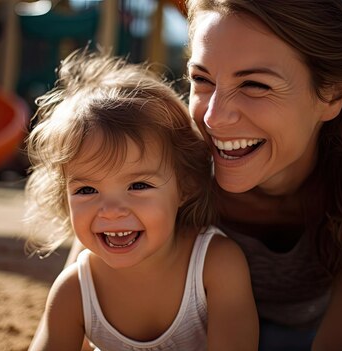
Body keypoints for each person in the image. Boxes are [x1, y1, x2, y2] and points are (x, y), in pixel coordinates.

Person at [181, 0, 342, 350]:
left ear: (333, 93)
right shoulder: (171, 154)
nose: (214, 118)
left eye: (255, 85)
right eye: (202, 79)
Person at [24, 49, 258, 351]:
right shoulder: (74, 291)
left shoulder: (215, 265)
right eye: (86, 190)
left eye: (138, 185)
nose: (110, 211)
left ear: (185, 186)